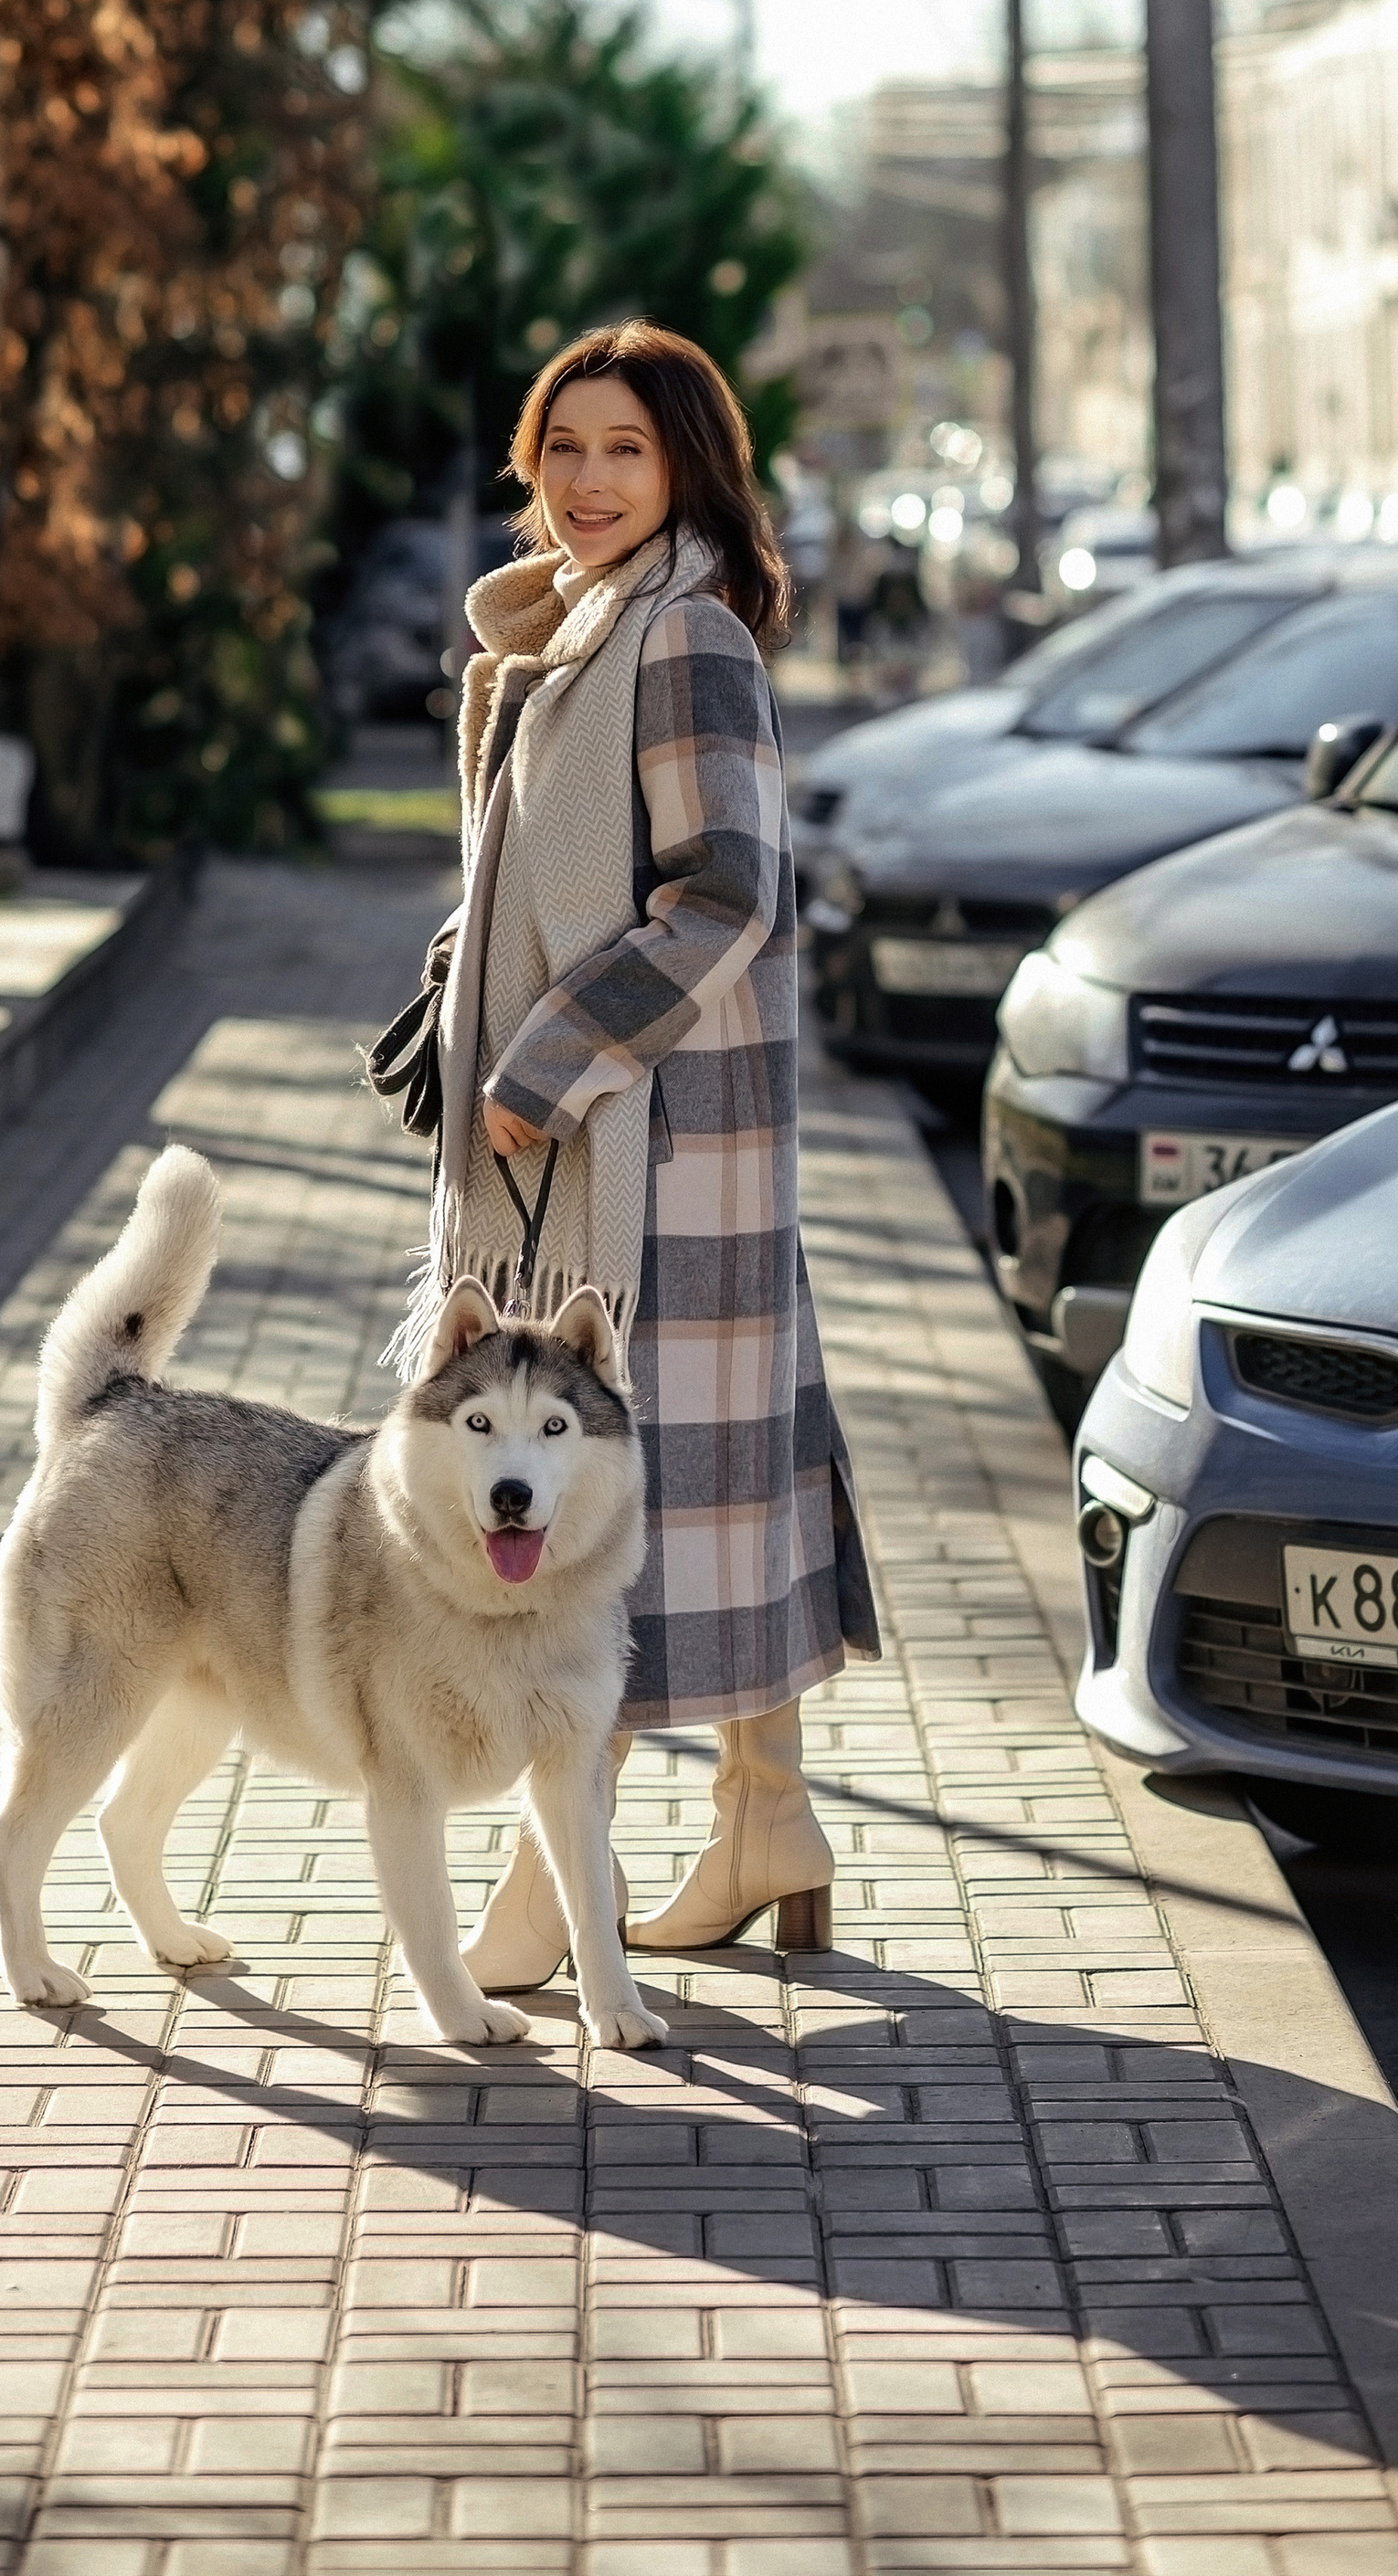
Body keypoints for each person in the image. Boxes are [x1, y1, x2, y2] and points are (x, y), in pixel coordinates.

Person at [401, 320, 880, 1979]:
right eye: (566, 446)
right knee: (707, 1470)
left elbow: (726, 894)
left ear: (685, 469)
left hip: (657, 1135)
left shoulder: (681, 640)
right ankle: (767, 1817)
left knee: (616, 1492)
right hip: (637, 1126)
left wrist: (544, 1053)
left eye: (628, 450)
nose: (590, 480)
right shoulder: (577, 634)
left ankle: (557, 1886)